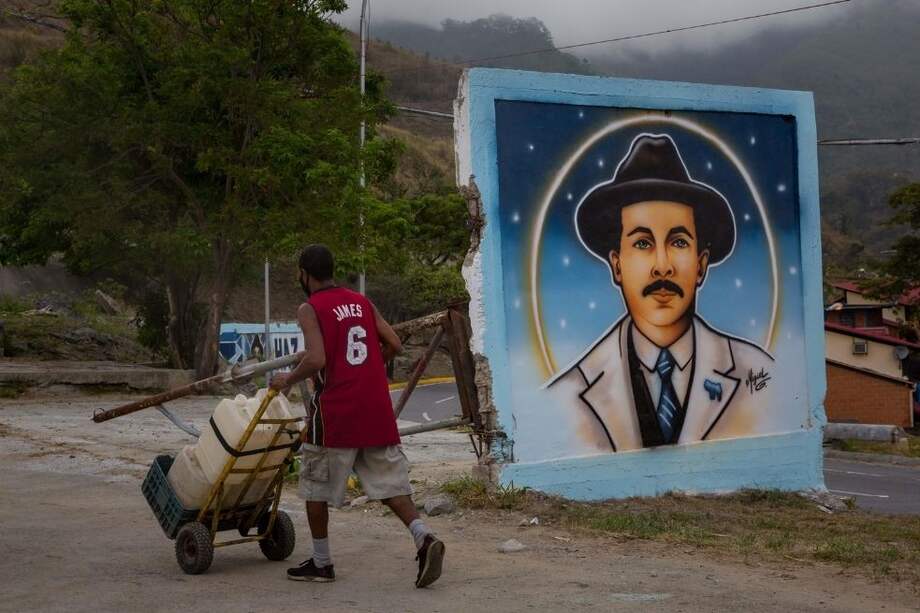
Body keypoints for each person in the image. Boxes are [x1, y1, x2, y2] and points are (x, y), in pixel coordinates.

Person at [550, 134, 774, 452]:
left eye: (679, 242)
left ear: (701, 264)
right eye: (642, 243)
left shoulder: (758, 375)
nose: (662, 267)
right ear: (616, 265)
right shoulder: (571, 392)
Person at [270, 244, 445, 588]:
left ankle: (322, 564)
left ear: (304, 274)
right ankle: (423, 536)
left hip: (337, 411)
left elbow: (318, 360)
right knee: (390, 484)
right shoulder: (362, 302)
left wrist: (286, 380)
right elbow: (393, 343)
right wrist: (367, 369)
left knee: (315, 487)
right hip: (375, 408)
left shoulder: (310, 308)